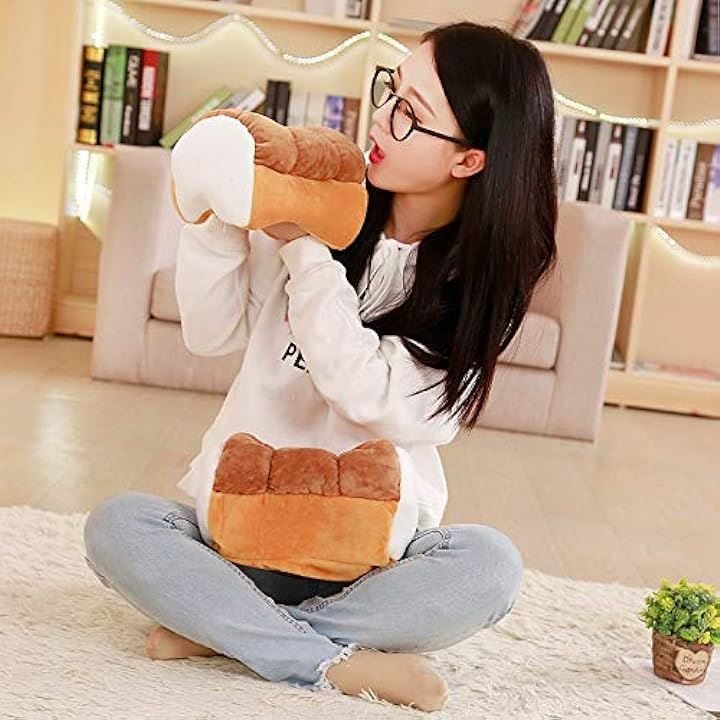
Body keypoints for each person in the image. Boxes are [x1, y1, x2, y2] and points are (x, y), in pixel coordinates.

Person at [83, 20, 557, 713]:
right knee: (117, 525)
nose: (382, 119)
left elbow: (369, 395)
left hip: (370, 563)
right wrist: (216, 213)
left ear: (469, 160)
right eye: (391, 91)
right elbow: (210, 335)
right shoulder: (323, 198)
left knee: (490, 567)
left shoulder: (481, 288)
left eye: (411, 113)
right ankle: (317, 654)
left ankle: (231, 631)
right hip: (242, 537)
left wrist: (303, 249)